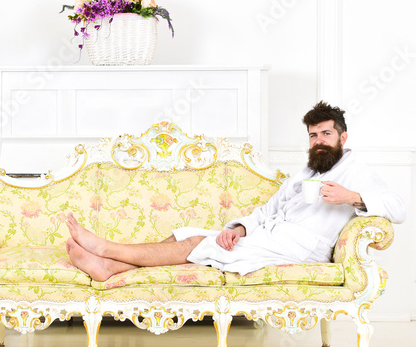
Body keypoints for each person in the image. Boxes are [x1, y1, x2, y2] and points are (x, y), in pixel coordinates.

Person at [65, 102, 406, 282]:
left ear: (342, 138)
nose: (319, 142)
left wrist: (351, 197)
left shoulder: (358, 173)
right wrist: (241, 228)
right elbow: (267, 212)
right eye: (313, 136)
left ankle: (106, 248)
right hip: (274, 235)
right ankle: (108, 267)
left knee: (196, 245)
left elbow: (398, 208)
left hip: (305, 247)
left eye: (326, 135)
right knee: (183, 237)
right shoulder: (305, 173)